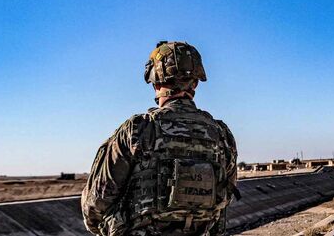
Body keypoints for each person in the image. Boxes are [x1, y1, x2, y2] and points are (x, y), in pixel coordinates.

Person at [82, 41, 237, 236]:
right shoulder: (222, 135)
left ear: (155, 82)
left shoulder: (137, 130)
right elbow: (226, 195)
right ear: (195, 83)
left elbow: (96, 204)